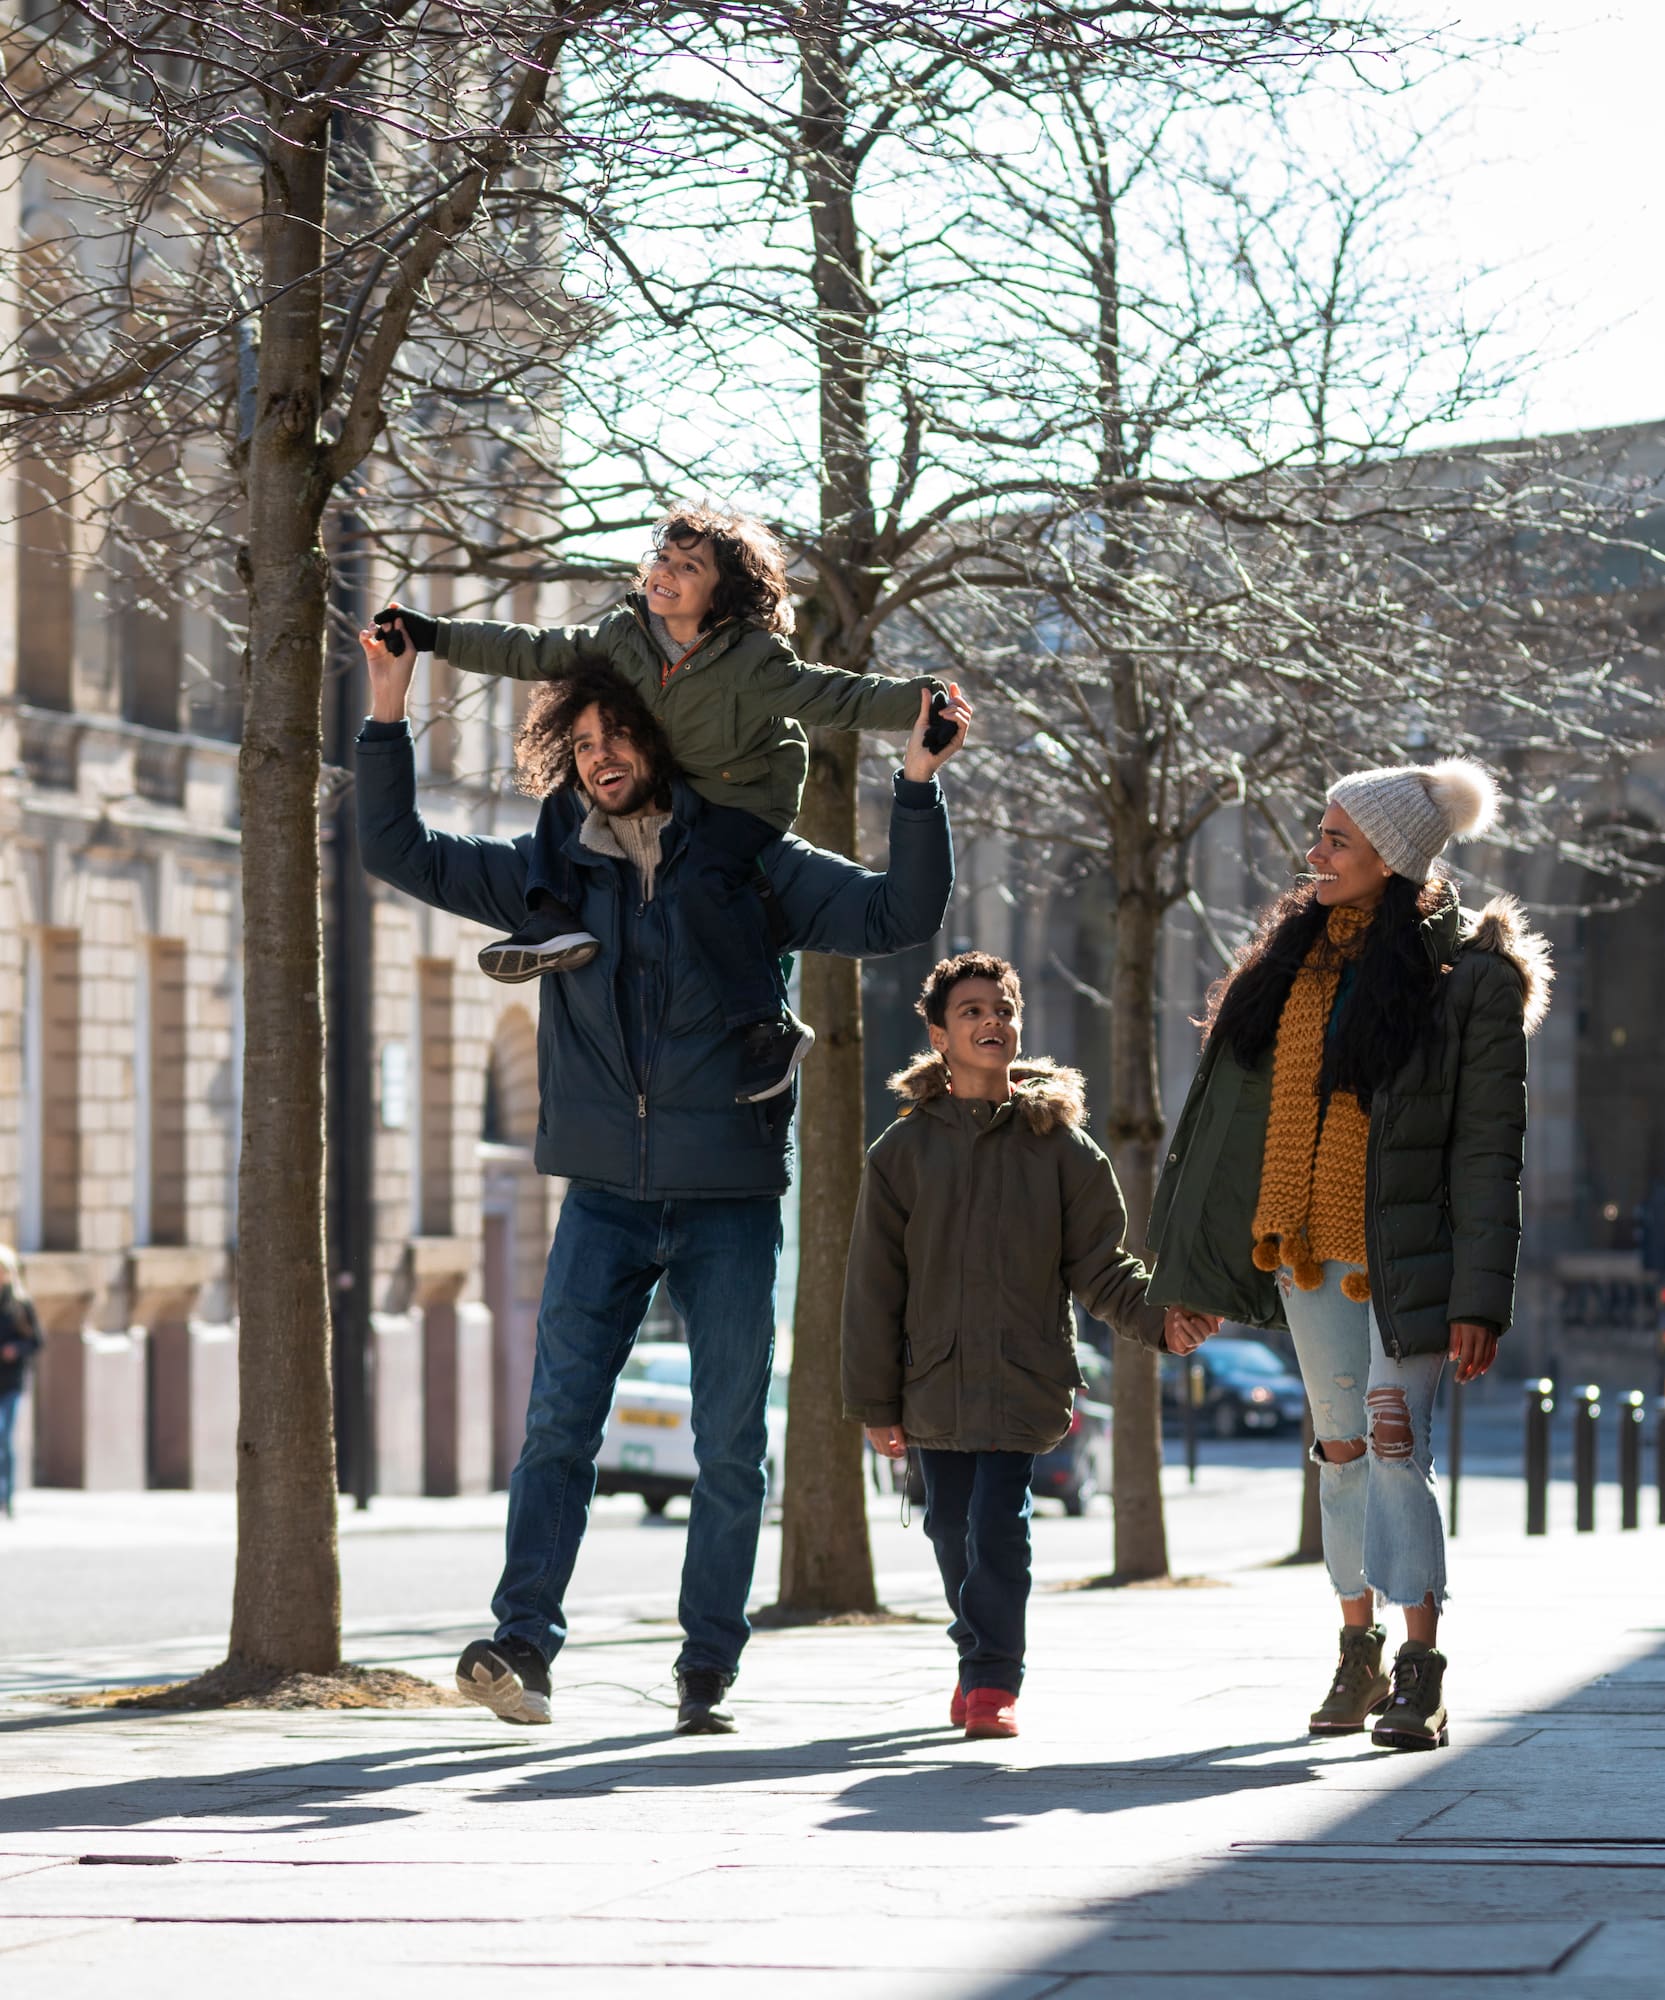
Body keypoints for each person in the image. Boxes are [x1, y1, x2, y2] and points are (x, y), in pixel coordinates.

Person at [355, 619, 971, 1734]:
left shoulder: (746, 860)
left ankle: (705, 1664)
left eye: (618, 731)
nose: (599, 753)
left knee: (731, 1438)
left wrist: (916, 782)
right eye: (580, 737)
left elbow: (897, 914)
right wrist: (388, 707)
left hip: (729, 1192)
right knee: (558, 1428)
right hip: (600, 1193)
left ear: (660, 739)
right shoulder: (550, 870)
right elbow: (399, 850)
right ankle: (522, 1645)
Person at [1147, 759, 1550, 1751]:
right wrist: (1191, 1277)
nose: (1314, 854)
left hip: (1410, 1258)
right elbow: (1230, 1128)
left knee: (1396, 1448)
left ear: (1393, 862)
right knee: (1340, 1454)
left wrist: (1480, 1298)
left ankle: (1423, 1669)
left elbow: (1490, 1148)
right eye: (1320, 835)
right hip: (1306, 1248)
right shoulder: (1292, 965)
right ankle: (1356, 1647)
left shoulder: (1469, 982)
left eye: (1337, 840)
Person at [374, 505, 952, 1106]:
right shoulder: (623, 636)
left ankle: (764, 1024)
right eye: (664, 557)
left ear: (721, 595)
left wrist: (921, 703)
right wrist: (432, 635)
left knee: (704, 876)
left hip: (741, 802)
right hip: (676, 786)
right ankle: (550, 916)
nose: (667, 571)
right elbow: (534, 650)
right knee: (570, 799)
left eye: (689, 566)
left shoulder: (753, 660)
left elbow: (837, 695)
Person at [840, 952, 1216, 1741]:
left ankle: (990, 1680)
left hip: (1022, 1376)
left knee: (996, 1523)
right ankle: (973, 1653)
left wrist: (1161, 1321)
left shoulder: (1064, 1152)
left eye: (1003, 1008)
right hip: (933, 1377)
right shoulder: (899, 1154)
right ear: (939, 1036)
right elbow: (873, 1287)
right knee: (947, 1527)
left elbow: (1102, 1267)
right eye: (972, 1011)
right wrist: (874, 1404)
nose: (993, 1022)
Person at [0, 1248, 42, 1519]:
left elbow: (37, 1341)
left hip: (12, 1382)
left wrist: (15, 1349)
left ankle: (8, 1495)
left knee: (4, 1437)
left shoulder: (20, 1304)